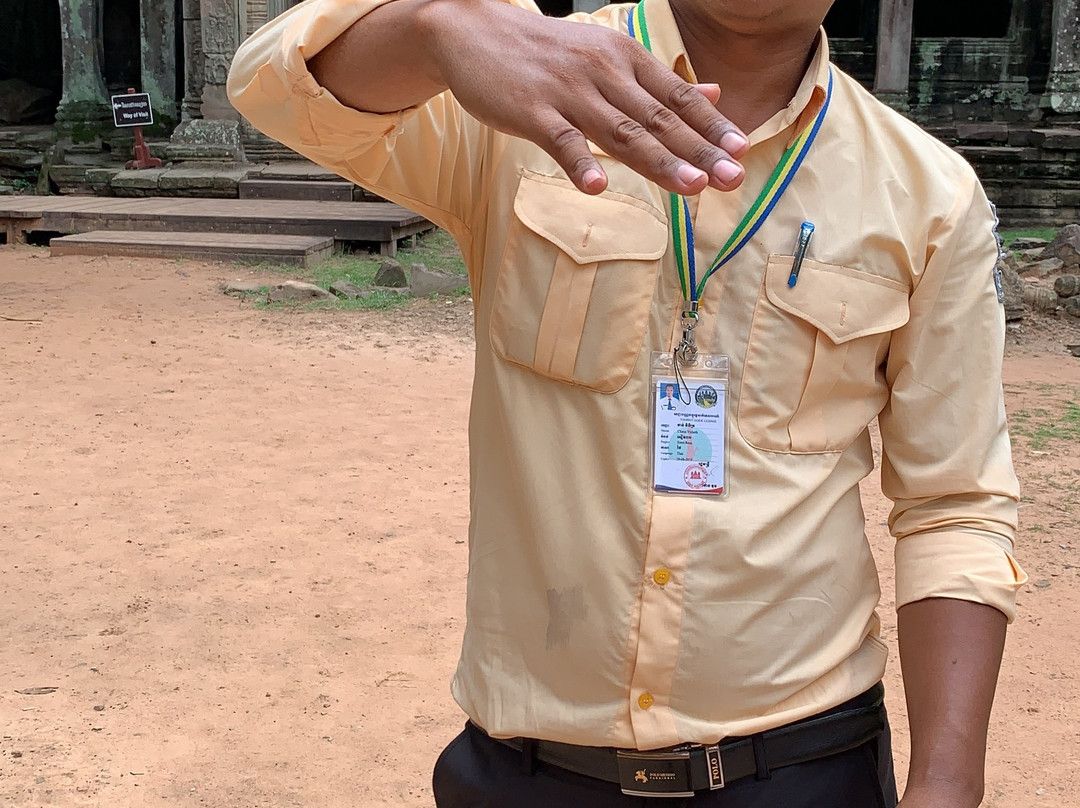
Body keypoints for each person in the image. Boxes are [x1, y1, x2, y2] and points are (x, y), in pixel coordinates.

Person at [228, 0, 1026, 805]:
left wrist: (948, 785)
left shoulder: (928, 192)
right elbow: (273, 90)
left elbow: (954, 506)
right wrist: (433, 32)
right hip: (531, 771)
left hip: (803, 764)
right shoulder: (514, 81)